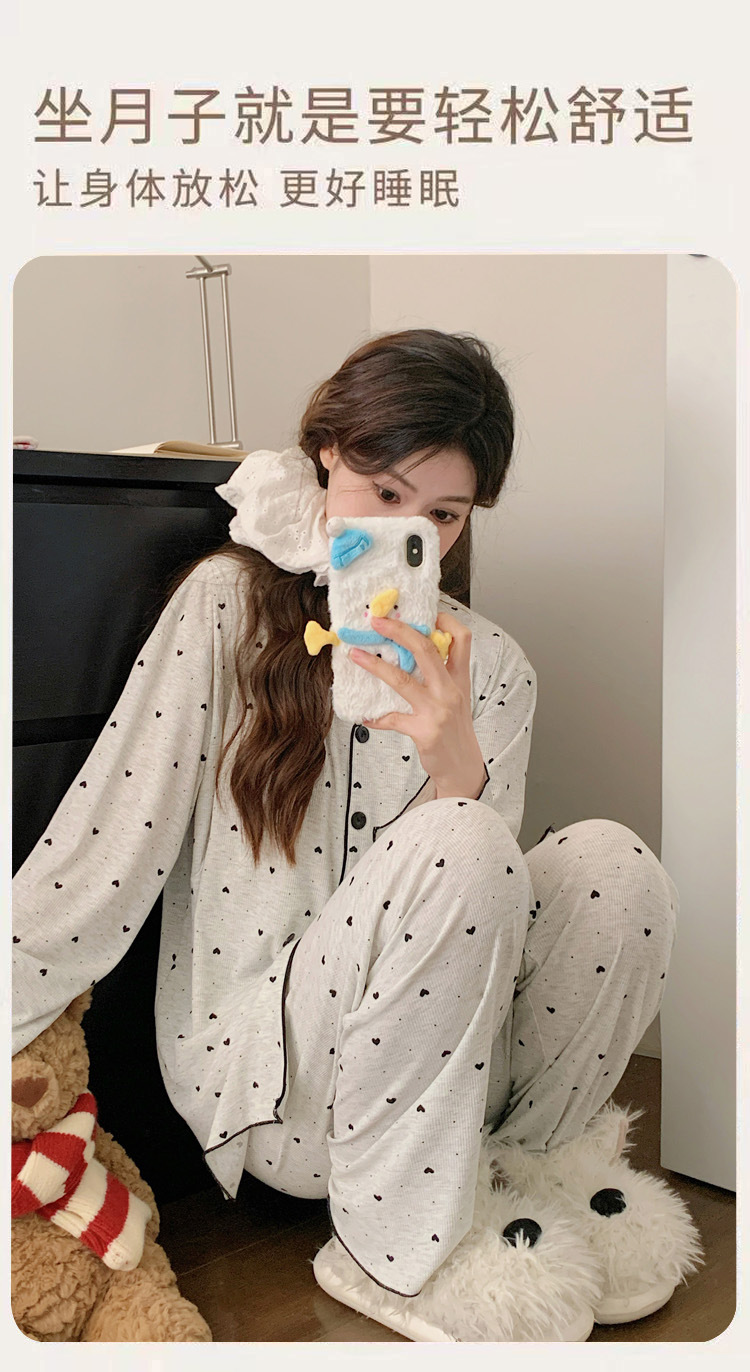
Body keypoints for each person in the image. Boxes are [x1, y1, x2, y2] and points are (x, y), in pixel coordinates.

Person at [12, 328, 695, 1342]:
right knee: (461, 840)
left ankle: (526, 1180)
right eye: (384, 492)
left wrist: (454, 761)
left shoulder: (496, 668)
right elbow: (109, 840)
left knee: (614, 863)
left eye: (443, 514)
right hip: (273, 1089)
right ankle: (387, 1254)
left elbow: (479, 931)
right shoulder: (226, 609)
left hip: (452, 1092)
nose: (409, 530)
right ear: (326, 455)